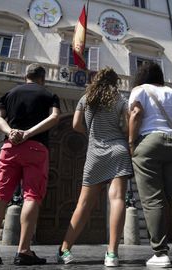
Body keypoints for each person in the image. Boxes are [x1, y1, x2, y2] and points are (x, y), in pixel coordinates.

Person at [0, 63, 61, 266]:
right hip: (36, 148)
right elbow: (54, 117)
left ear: (25, 76)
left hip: (10, 147)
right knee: (32, 196)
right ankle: (24, 251)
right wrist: (29, 133)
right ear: (43, 79)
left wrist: (11, 132)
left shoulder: (10, 94)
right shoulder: (49, 95)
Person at [56, 67, 133, 267]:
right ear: (115, 81)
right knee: (117, 199)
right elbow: (127, 124)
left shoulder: (86, 98)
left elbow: (75, 124)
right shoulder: (120, 98)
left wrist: (90, 132)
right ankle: (112, 254)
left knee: (83, 204)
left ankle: (65, 249)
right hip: (118, 149)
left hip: (95, 153)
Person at [128, 62, 172, 268]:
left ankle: (160, 253)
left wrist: (131, 143)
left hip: (148, 142)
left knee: (152, 199)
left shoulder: (139, 90)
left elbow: (135, 114)